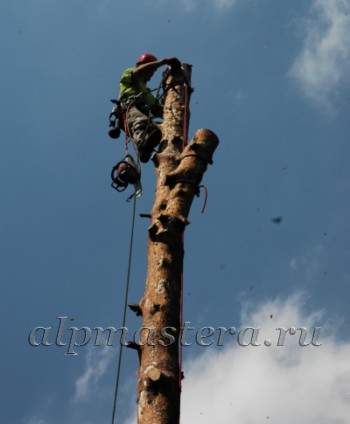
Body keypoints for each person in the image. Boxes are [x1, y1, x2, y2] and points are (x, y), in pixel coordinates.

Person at [117, 53, 180, 163]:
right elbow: (138, 72)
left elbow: (160, 110)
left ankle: (148, 148)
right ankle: (143, 145)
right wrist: (163, 62)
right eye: (152, 70)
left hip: (140, 116)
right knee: (141, 120)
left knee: (155, 129)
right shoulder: (129, 73)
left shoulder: (146, 92)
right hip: (129, 110)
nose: (152, 75)